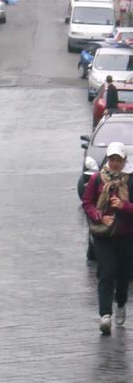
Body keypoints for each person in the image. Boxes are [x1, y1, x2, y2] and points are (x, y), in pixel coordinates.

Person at [82, 142, 133, 335]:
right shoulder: (97, 179)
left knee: (122, 275)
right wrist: (99, 216)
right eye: (111, 159)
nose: (114, 164)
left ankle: (120, 302)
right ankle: (105, 315)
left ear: (124, 161)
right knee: (107, 272)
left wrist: (124, 206)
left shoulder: (130, 181)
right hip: (103, 235)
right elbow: (87, 203)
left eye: (118, 160)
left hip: (126, 235)